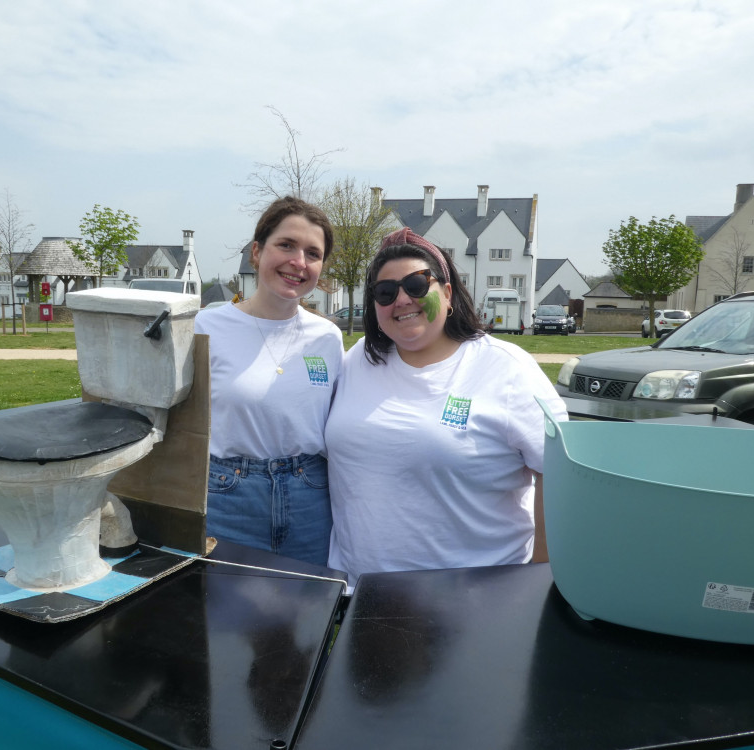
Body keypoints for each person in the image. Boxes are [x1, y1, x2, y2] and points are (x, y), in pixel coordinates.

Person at [325, 227, 568, 586]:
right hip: (357, 591)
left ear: (448, 292)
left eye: (417, 284)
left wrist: (541, 578)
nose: (403, 300)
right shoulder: (358, 360)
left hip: (471, 601)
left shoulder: (505, 367)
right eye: (386, 292)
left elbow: (560, 470)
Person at [195, 196, 343, 565]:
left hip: (310, 497)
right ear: (257, 252)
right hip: (229, 497)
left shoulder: (327, 337)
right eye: (286, 245)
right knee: (226, 614)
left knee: (306, 613)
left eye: (313, 253)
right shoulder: (205, 329)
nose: (299, 262)